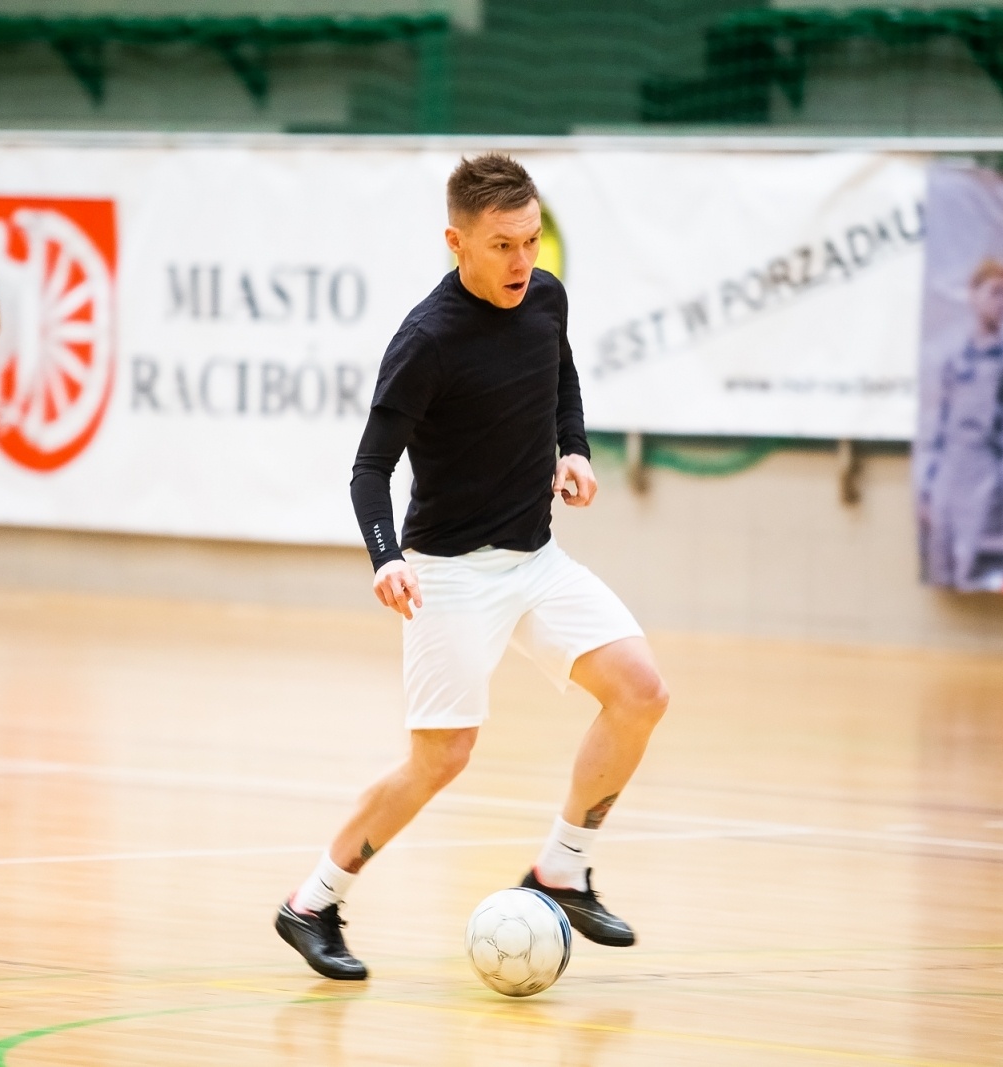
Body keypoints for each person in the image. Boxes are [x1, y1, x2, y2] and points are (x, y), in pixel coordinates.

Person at [274, 153, 670, 981]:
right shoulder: (427, 340)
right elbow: (369, 469)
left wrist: (573, 448)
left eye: (530, 240)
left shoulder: (546, 297)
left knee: (641, 691)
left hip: (537, 559)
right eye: (502, 245)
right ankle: (312, 901)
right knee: (442, 758)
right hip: (450, 574)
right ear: (456, 242)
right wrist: (386, 559)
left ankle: (561, 869)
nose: (522, 261)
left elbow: (561, 375)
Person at [919, 257, 1003, 591]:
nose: (1002, 303)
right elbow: (939, 432)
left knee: (974, 576)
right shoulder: (956, 361)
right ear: (974, 295)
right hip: (948, 478)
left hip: (986, 483)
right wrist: (927, 490)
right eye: (995, 292)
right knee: (940, 570)